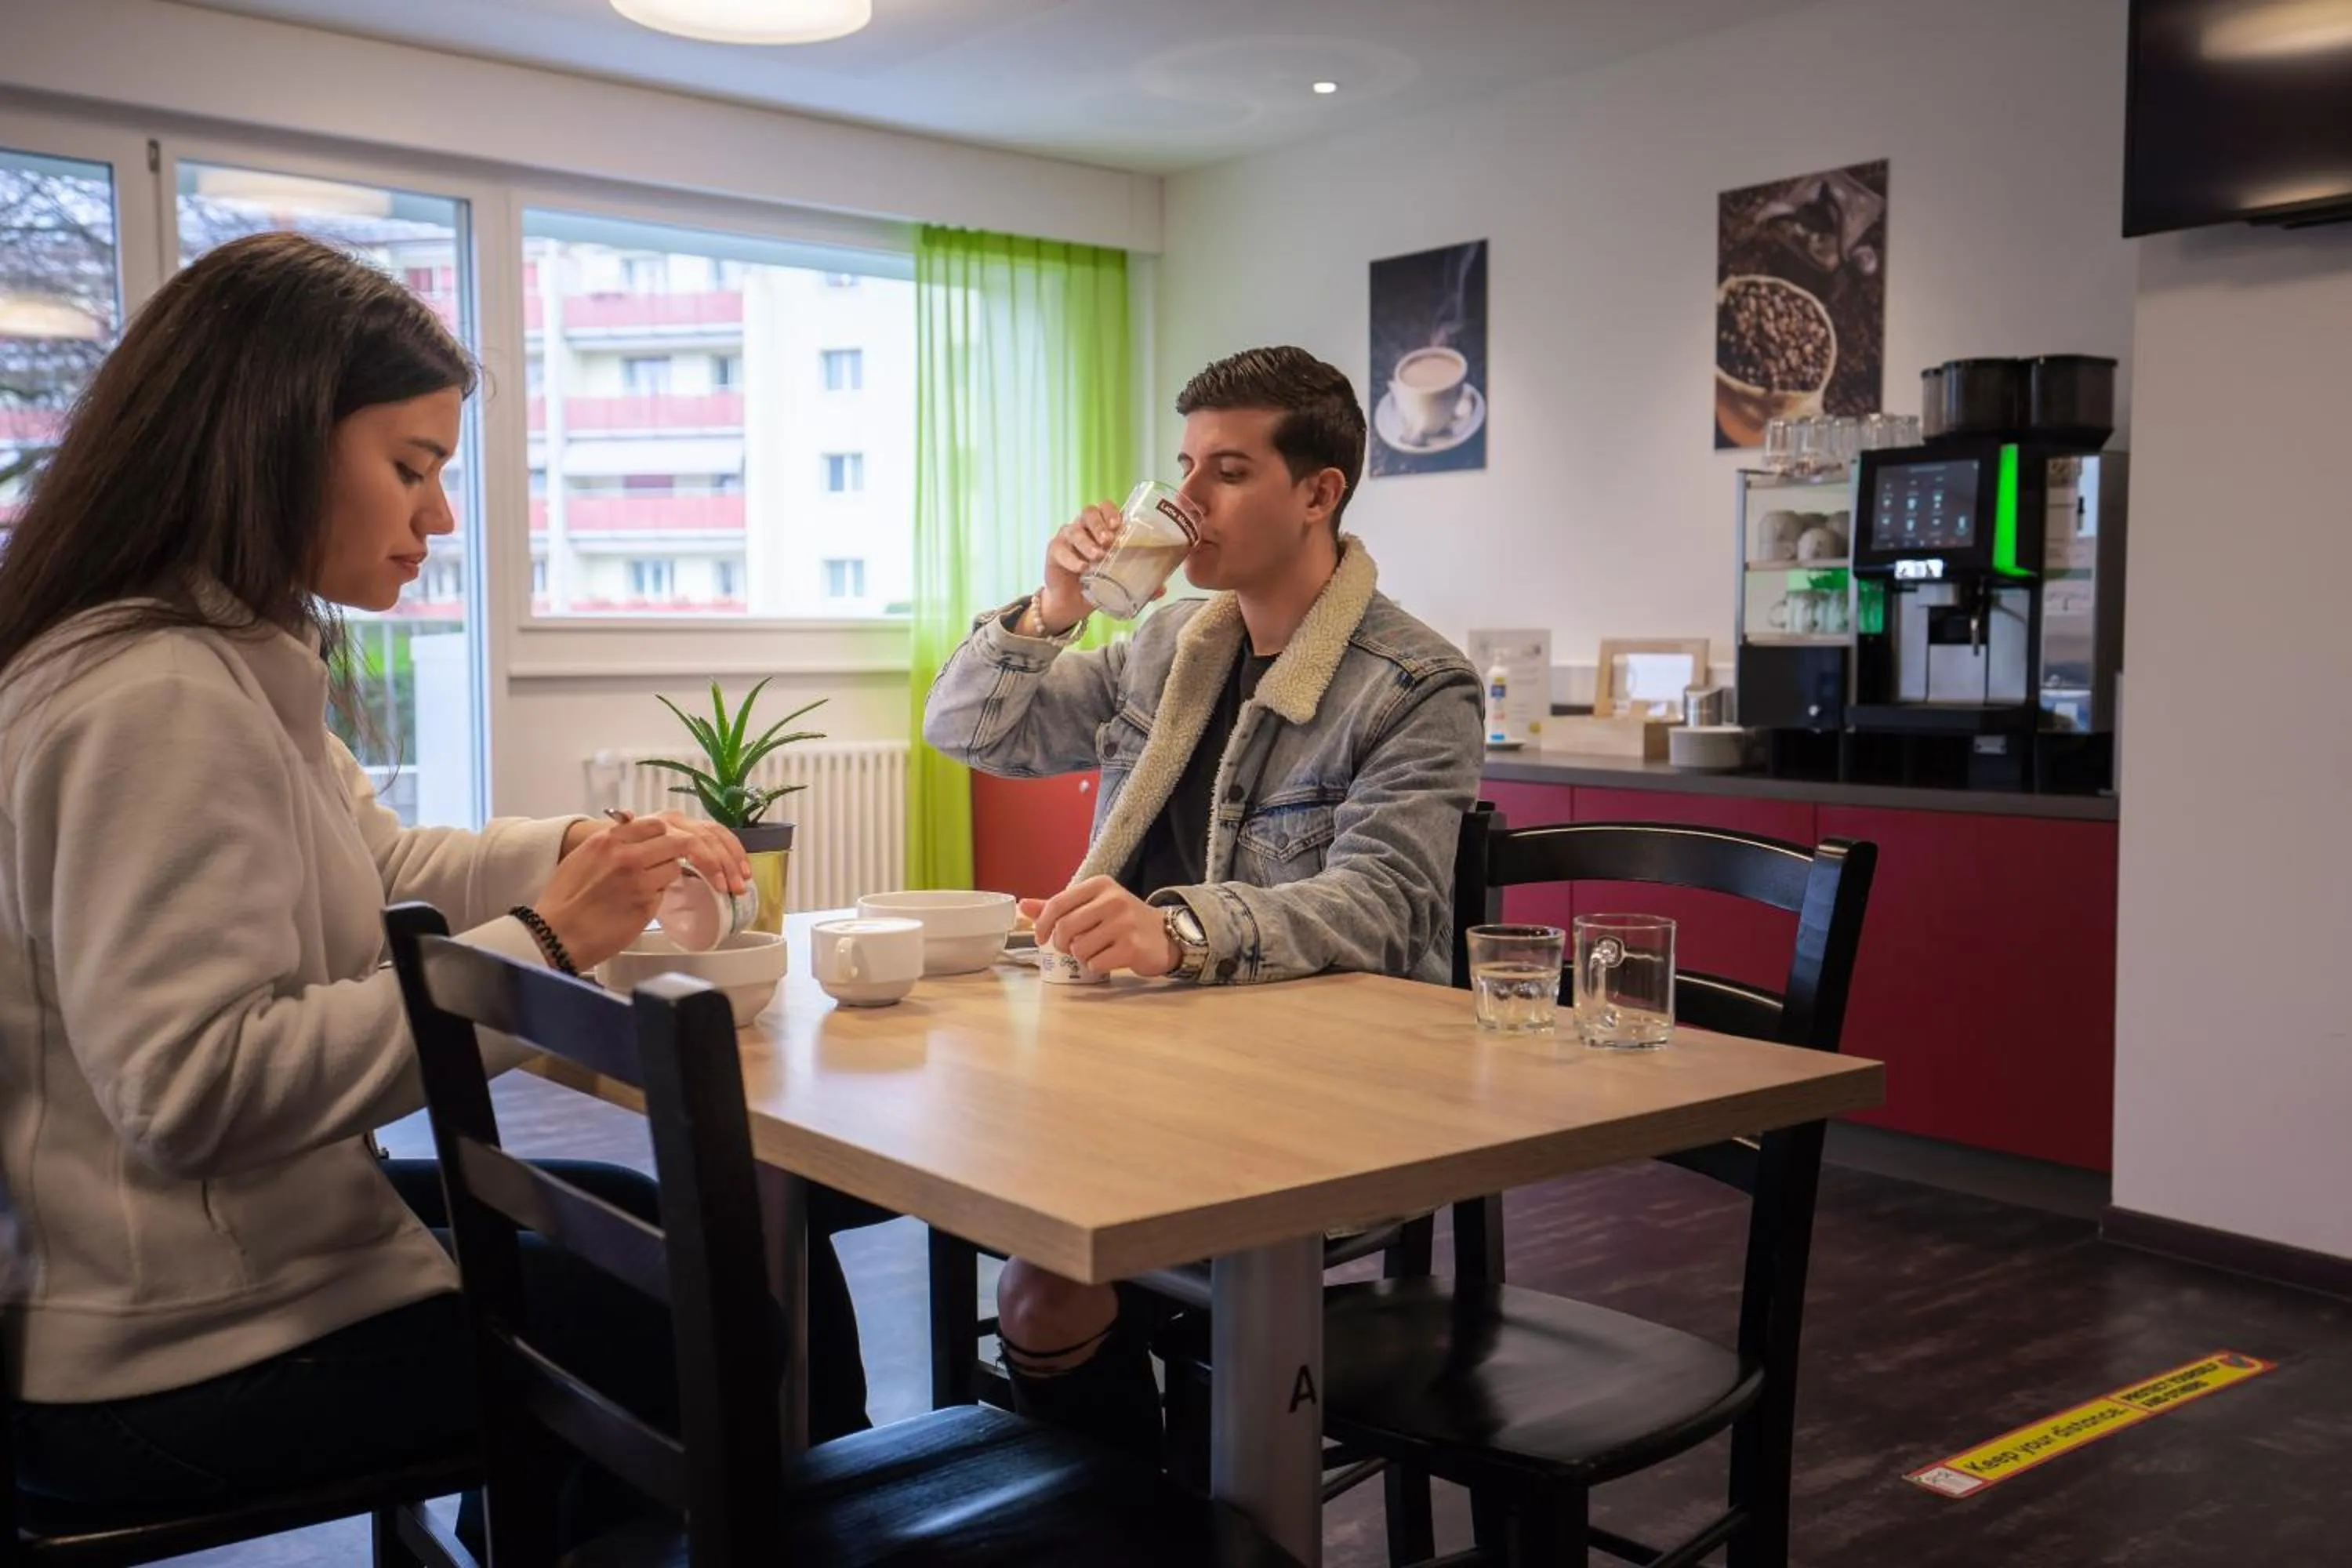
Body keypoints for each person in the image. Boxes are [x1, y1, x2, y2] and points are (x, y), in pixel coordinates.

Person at [0, 232, 867, 1544]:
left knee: (695, 1246)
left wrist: (583, 850)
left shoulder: (210, 654)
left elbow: (384, 869)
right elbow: (194, 1091)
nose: (439, 517)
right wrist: (546, 940)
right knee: (732, 1311)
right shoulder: (159, 698)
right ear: (273, 441)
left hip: (195, 1270)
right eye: (412, 468)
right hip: (160, 1352)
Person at [921, 344, 1486, 1459]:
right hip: (1134, 1071)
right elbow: (969, 732)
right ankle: (1151, 1517)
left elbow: (1388, 905)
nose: (1186, 501)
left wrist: (1177, 931)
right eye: (1184, 466)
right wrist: (1053, 606)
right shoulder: (1167, 643)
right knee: (972, 1190)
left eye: (1227, 470)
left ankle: (1148, 1522)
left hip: (1323, 1110)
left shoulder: (1417, 685)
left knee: (1039, 1294)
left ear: (1318, 491)